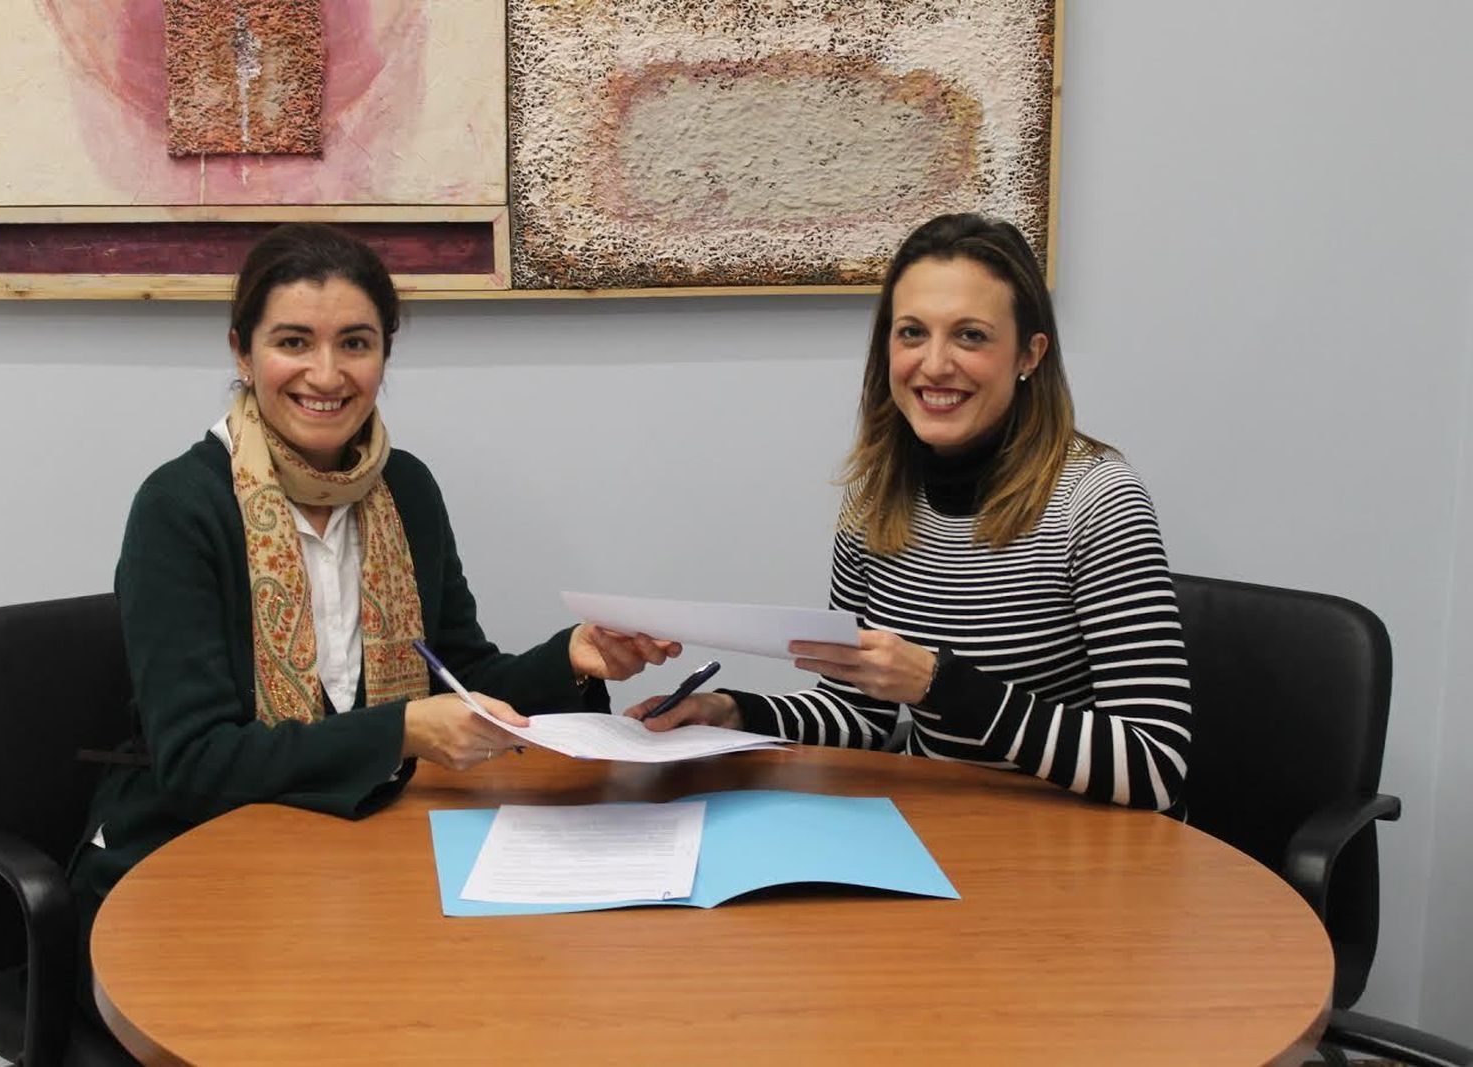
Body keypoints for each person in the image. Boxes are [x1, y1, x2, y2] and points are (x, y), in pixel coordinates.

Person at [68, 222, 677, 1004]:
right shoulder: (181, 506)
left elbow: (456, 676)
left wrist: (573, 656)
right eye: (294, 341)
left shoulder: (406, 490)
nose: (326, 373)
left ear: (383, 355)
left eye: (355, 343)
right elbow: (196, 759)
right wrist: (400, 731)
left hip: (353, 844)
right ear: (241, 352)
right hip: (190, 856)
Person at [627, 213, 1190, 811]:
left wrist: (938, 685)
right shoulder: (877, 496)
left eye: (971, 335)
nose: (935, 363)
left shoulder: (1098, 499)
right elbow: (859, 714)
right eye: (912, 333)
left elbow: (1154, 766)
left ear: (1029, 354)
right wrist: (732, 710)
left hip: (1082, 850)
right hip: (942, 827)